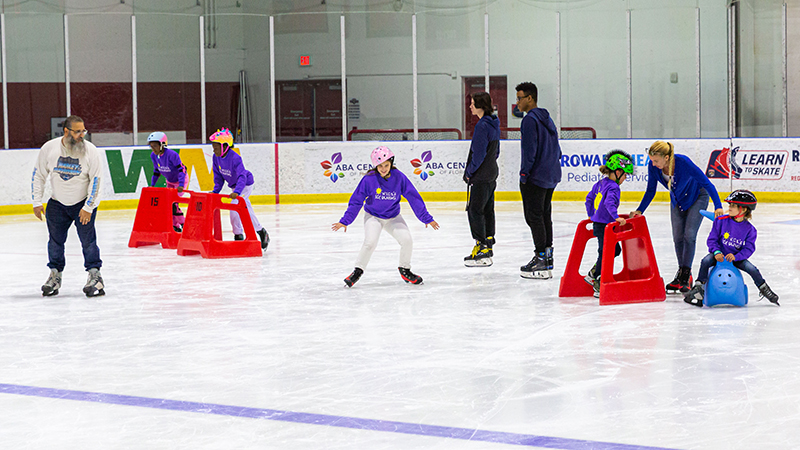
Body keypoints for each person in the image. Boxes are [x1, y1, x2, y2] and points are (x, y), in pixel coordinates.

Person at [332, 146, 440, 287]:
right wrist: (345, 221)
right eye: (380, 166)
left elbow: (413, 197)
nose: (383, 169)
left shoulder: (399, 177)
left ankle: (405, 269)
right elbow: (356, 201)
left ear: (391, 163)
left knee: (407, 240)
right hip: (373, 217)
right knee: (370, 243)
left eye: (386, 165)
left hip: (393, 217)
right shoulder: (368, 180)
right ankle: (357, 271)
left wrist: (426, 218)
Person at [630, 141, 724, 294]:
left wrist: (718, 205)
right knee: (678, 238)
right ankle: (682, 275)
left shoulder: (683, 162)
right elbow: (650, 190)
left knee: (689, 235)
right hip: (678, 200)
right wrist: (640, 210)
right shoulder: (653, 168)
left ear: (666, 157)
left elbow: (707, 183)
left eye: (656, 161)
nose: (653, 164)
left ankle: (686, 274)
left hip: (698, 197)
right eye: (651, 160)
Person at [32, 115, 105, 297]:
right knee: (55, 242)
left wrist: (88, 207)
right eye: (78, 131)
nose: (82, 135)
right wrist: (36, 201)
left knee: (88, 242)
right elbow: (39, 175)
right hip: (57, 204)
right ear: (66, 131)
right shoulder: (49, 148)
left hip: (82, 204)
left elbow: (96, 181)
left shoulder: (90, 151)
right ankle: (55, 276)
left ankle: (95, 277)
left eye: (83, 131)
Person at [684, 190, 779, 306]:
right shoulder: (720, 221)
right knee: (705, 261)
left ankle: (765, 289)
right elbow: (712, 239)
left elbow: (748, 249)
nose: (729, 208)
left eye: (733, 206)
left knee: (752, 269)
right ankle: (699, 288)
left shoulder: (750, 229)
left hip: (735, 258)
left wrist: (736, 256)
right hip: (718, 255)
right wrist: (716, 252)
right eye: (729, 205)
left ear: (743, 209)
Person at [515, 82, 562, 279]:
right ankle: (547, 257)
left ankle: (541, 257)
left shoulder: (529, 121)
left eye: (519, 98)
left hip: (536, 176)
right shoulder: (547, 118)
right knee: (544, 216)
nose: (517, 102)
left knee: (534, 217)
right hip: (550, 175)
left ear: (530, 98)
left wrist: (524, 174)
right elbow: (557, 149)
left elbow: (529, 151)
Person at [584, 150, 634, 297]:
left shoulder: (600, 183)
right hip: (605, 225)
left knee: (611, 251)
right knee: (606, 252)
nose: (625, 178)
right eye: (625, 175)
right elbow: (609, 203)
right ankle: (598, 280)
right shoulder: (614, 186)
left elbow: (589, 199)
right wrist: (616, 217)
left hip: (598, 224)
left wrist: (591, 215)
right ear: (618, 172)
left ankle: (594, 273)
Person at [209, 128, 270, 249]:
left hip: (245, 184)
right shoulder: (216, 158)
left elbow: (242, 176)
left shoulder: (235, 158)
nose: (214, 150)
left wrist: (237, 191)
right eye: (213, 147)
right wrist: (215, 191)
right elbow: (218, 177)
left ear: (225, 146)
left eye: (216, 147)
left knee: (235, 207)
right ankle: (260, 232)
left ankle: (239, 236)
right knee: (244, 208)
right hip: (235, 187)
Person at [463, 91, 500, 267]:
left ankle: (481, 246)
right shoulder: (493, 124)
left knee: (475, 210)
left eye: (472, 103)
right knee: (487, 208)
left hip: (481, 175)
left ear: (480, 106)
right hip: (491, 172)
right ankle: (489, 240)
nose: (470, 106)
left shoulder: (482, 126)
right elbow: (496, 151)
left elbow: (478, 154)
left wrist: (469, 172)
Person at [148, 131, 189, 232]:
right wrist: (152, 185)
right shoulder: (153, 156)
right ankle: (175, 225)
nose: (153, 149)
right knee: (169, 204)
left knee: (173, 203)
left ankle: (184, 223)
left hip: (181, 181)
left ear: (162, 145)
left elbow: (182, 170)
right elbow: (156, 170)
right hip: (170, 182)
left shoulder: (172, 155)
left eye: (155, 146)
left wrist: (180, 184)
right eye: (151, 147)